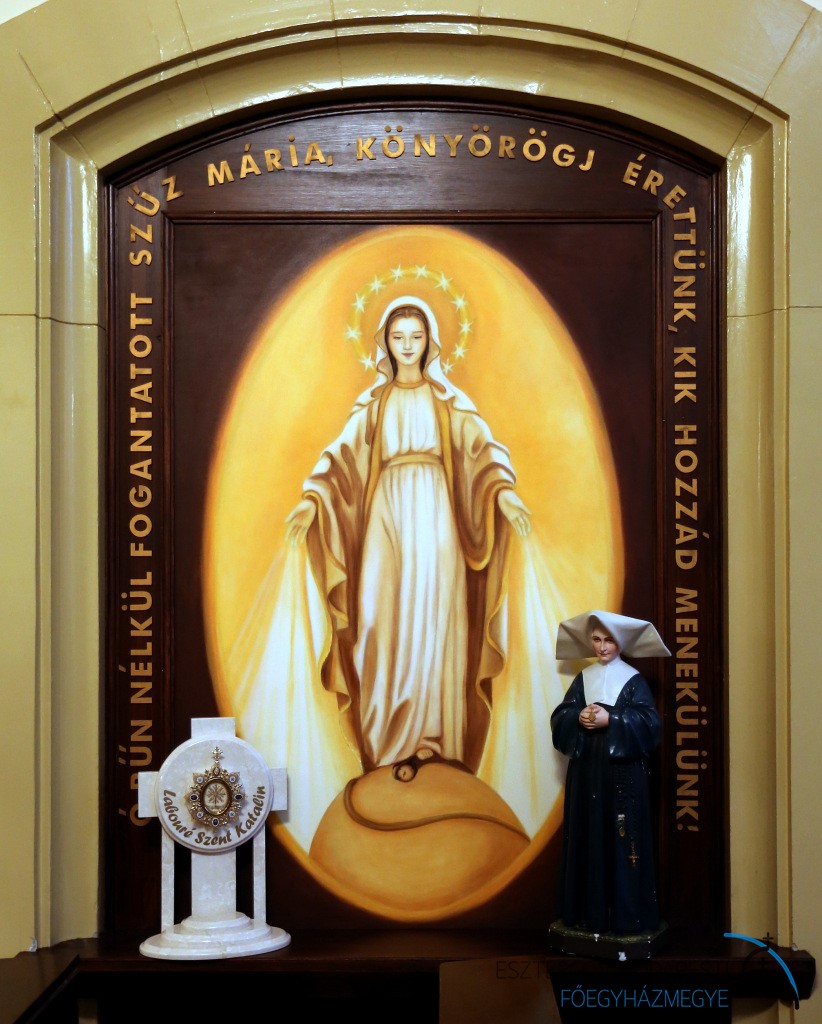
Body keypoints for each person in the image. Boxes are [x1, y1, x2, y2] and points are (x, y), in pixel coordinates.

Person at [285, 295, 532, 773]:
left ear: (429, 343)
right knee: (378, 620)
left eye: (416, 337)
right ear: (385, 343)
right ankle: (386, 744)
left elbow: (482, 450)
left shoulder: (448, 402)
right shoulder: (374, 405)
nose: (407, 346)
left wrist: (504, 494)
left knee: (436, 616)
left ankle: (434, 740)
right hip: (386, 514)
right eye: (398, 337)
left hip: (435, 513)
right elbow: (340, 457)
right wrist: (311, 500)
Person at [551, 610, 670, 936]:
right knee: (587, 837)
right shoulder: (584, 679)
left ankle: (625, 918)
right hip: (587, 775)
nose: (602, 647)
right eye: (596, 639)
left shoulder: (633, 680)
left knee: (621, 841)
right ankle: (586, 915)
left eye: (609, 640)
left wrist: (612, 720)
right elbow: (561, 716)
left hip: (622, 779)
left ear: (621, 642)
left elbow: (650, 725)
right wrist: (577, 716)